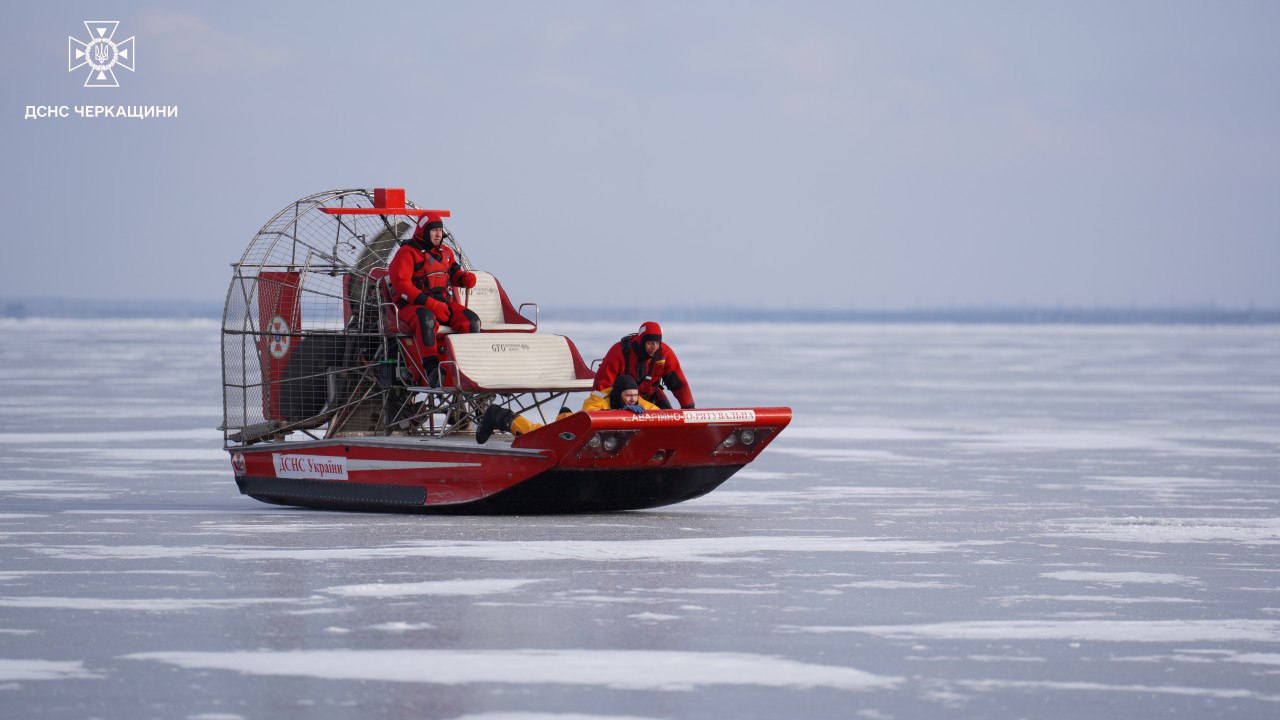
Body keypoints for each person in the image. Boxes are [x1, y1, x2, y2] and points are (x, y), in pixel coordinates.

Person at [388, 212, 481, 373]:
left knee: (471, 321)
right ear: (423, 230)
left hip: (443, 305)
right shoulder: (407, 253)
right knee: (426, 319)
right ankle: (431, 369)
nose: (438, 234)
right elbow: (401, 285)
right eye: (433, 230)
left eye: (440, 230)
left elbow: (454, 274)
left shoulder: (446, 253)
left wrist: (464, 278)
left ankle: (468, 368)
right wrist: (430, 303)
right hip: (413, 306)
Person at [475, 374, 658, 444]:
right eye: (628, 395)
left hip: (583, 439)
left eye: (635, 395)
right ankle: (500, 415)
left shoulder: (638, 404)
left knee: (562, 425)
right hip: (575, 433)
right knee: (536, 435)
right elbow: (591, 416)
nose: (633, 399)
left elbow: (660, 414)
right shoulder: (599, 400)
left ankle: (565, 415)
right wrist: (623, 413)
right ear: (618, 395)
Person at [593, 321, 694, 409]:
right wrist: (600, 409)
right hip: (620, 402)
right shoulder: (619, 352)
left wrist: (689, 407)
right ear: (641, 341)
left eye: (657, 343)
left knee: (669, 420)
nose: (654, 347)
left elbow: (678, 383)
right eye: (650, 343)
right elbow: (601, 386)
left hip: (650, 397)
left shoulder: (664, 353)